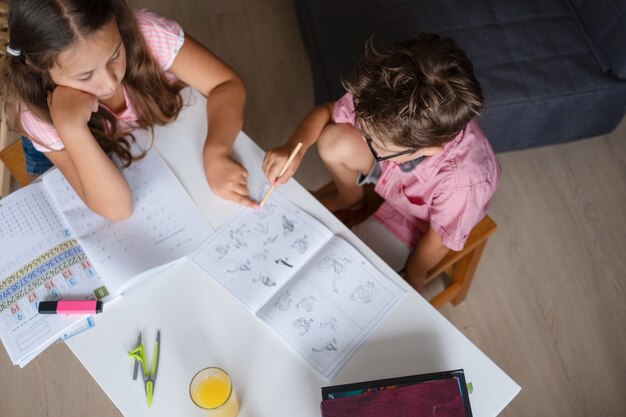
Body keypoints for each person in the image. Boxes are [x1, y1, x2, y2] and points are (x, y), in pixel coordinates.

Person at [262, 34, 501, 292]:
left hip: (423, 217)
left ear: (429, 150)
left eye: (380, 146)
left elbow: (439, 241)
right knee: (333, 139)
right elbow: (327, 111)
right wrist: (293, 147)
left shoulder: (463, 185)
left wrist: (416, 273)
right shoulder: (382, 98)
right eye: (366, 134)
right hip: (395, 175)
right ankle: (350, 198)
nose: (367, 141)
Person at [1, 0, 258, 221]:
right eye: (85, 76)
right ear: (37, 66)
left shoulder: (146, 32)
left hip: (157, 140)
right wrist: (71, 129)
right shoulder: (35, 115)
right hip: (64, 151)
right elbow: (118, 209)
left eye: (115, 54)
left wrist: (217, 150)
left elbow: (226, 84)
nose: (111, 82)